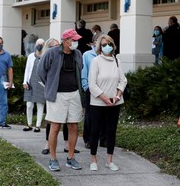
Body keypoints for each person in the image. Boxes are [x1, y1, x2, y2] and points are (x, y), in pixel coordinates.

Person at [37, 29, 83, 171]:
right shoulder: (52, 53)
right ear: (65, 40)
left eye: (76, 40)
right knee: (55, 127)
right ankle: (53, 159)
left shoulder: (77, 54)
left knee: (73, 126)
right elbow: (41, 71)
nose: (75, 42)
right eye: (73, 40)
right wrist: (50, 86)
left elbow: (80, 69)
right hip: (57, 95)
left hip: (74, 94)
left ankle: (70, 158)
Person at [88, 34, 127, 171]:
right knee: (95, 131)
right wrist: (105, 99)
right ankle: (93, 159)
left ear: (113, 45)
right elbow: (92, 84)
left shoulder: (117, 61)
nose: (107, 47)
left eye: (109, 44)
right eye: (103, 45)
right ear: (99, 47)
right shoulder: (96, 61)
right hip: (98, 102)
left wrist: (116, 97)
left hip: (115, 102)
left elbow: (123, 80)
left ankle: (109, 160)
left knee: (111, 131)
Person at [23, 38, 45, 132]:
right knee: (29, 104)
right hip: (31, 82)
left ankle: (38, 125)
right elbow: (27, 69)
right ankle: (29, 124)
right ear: (35, 45)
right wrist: (25, 81)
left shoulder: (45, 56)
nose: (39, 46)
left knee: (40, 105)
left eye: (41, 44)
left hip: (41, 83)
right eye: (38, 44)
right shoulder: (31, 56)